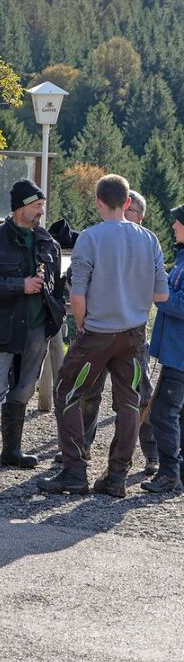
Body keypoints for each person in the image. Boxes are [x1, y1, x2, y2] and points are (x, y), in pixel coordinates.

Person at [40, 174, 168, 497]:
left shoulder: (90, 239)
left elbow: (77, 297)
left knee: (67, 391)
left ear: (98, 203)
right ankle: (116, 477)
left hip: (96, 331)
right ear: (128, 203)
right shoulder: (149, 239)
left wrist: (82, 324)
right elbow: (161, 295)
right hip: (134, 334)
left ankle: (74, 470)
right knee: (130, 401)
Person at [0, 179, 65, 474]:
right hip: (1, 329)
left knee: (24, 390)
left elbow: (56, 285)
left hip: (36, 329)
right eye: (36, 206)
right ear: (20, 208)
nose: (41, 212)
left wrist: (54, 311)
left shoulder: (48, 242)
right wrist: (20, 285)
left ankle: (12, 451)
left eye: (42, 206)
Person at [79, 189, 158, 474]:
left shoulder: (147, 244)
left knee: (137, 396)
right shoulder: (101, 240)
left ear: (141, 216)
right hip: (100, 329)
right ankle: (83, 448)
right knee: (89, 391)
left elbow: (158, 293)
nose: (126, 217)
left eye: (132, 212)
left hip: (132, 334)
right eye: (125, 211)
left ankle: (150, 455)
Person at [142, 204, 184, 493]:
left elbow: (181, 304)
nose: (173, 226)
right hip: (175, 352)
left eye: (178, 222)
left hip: (179, 354)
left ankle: (169, 473)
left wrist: (160, 295)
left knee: (161, 414)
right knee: (178, 415)